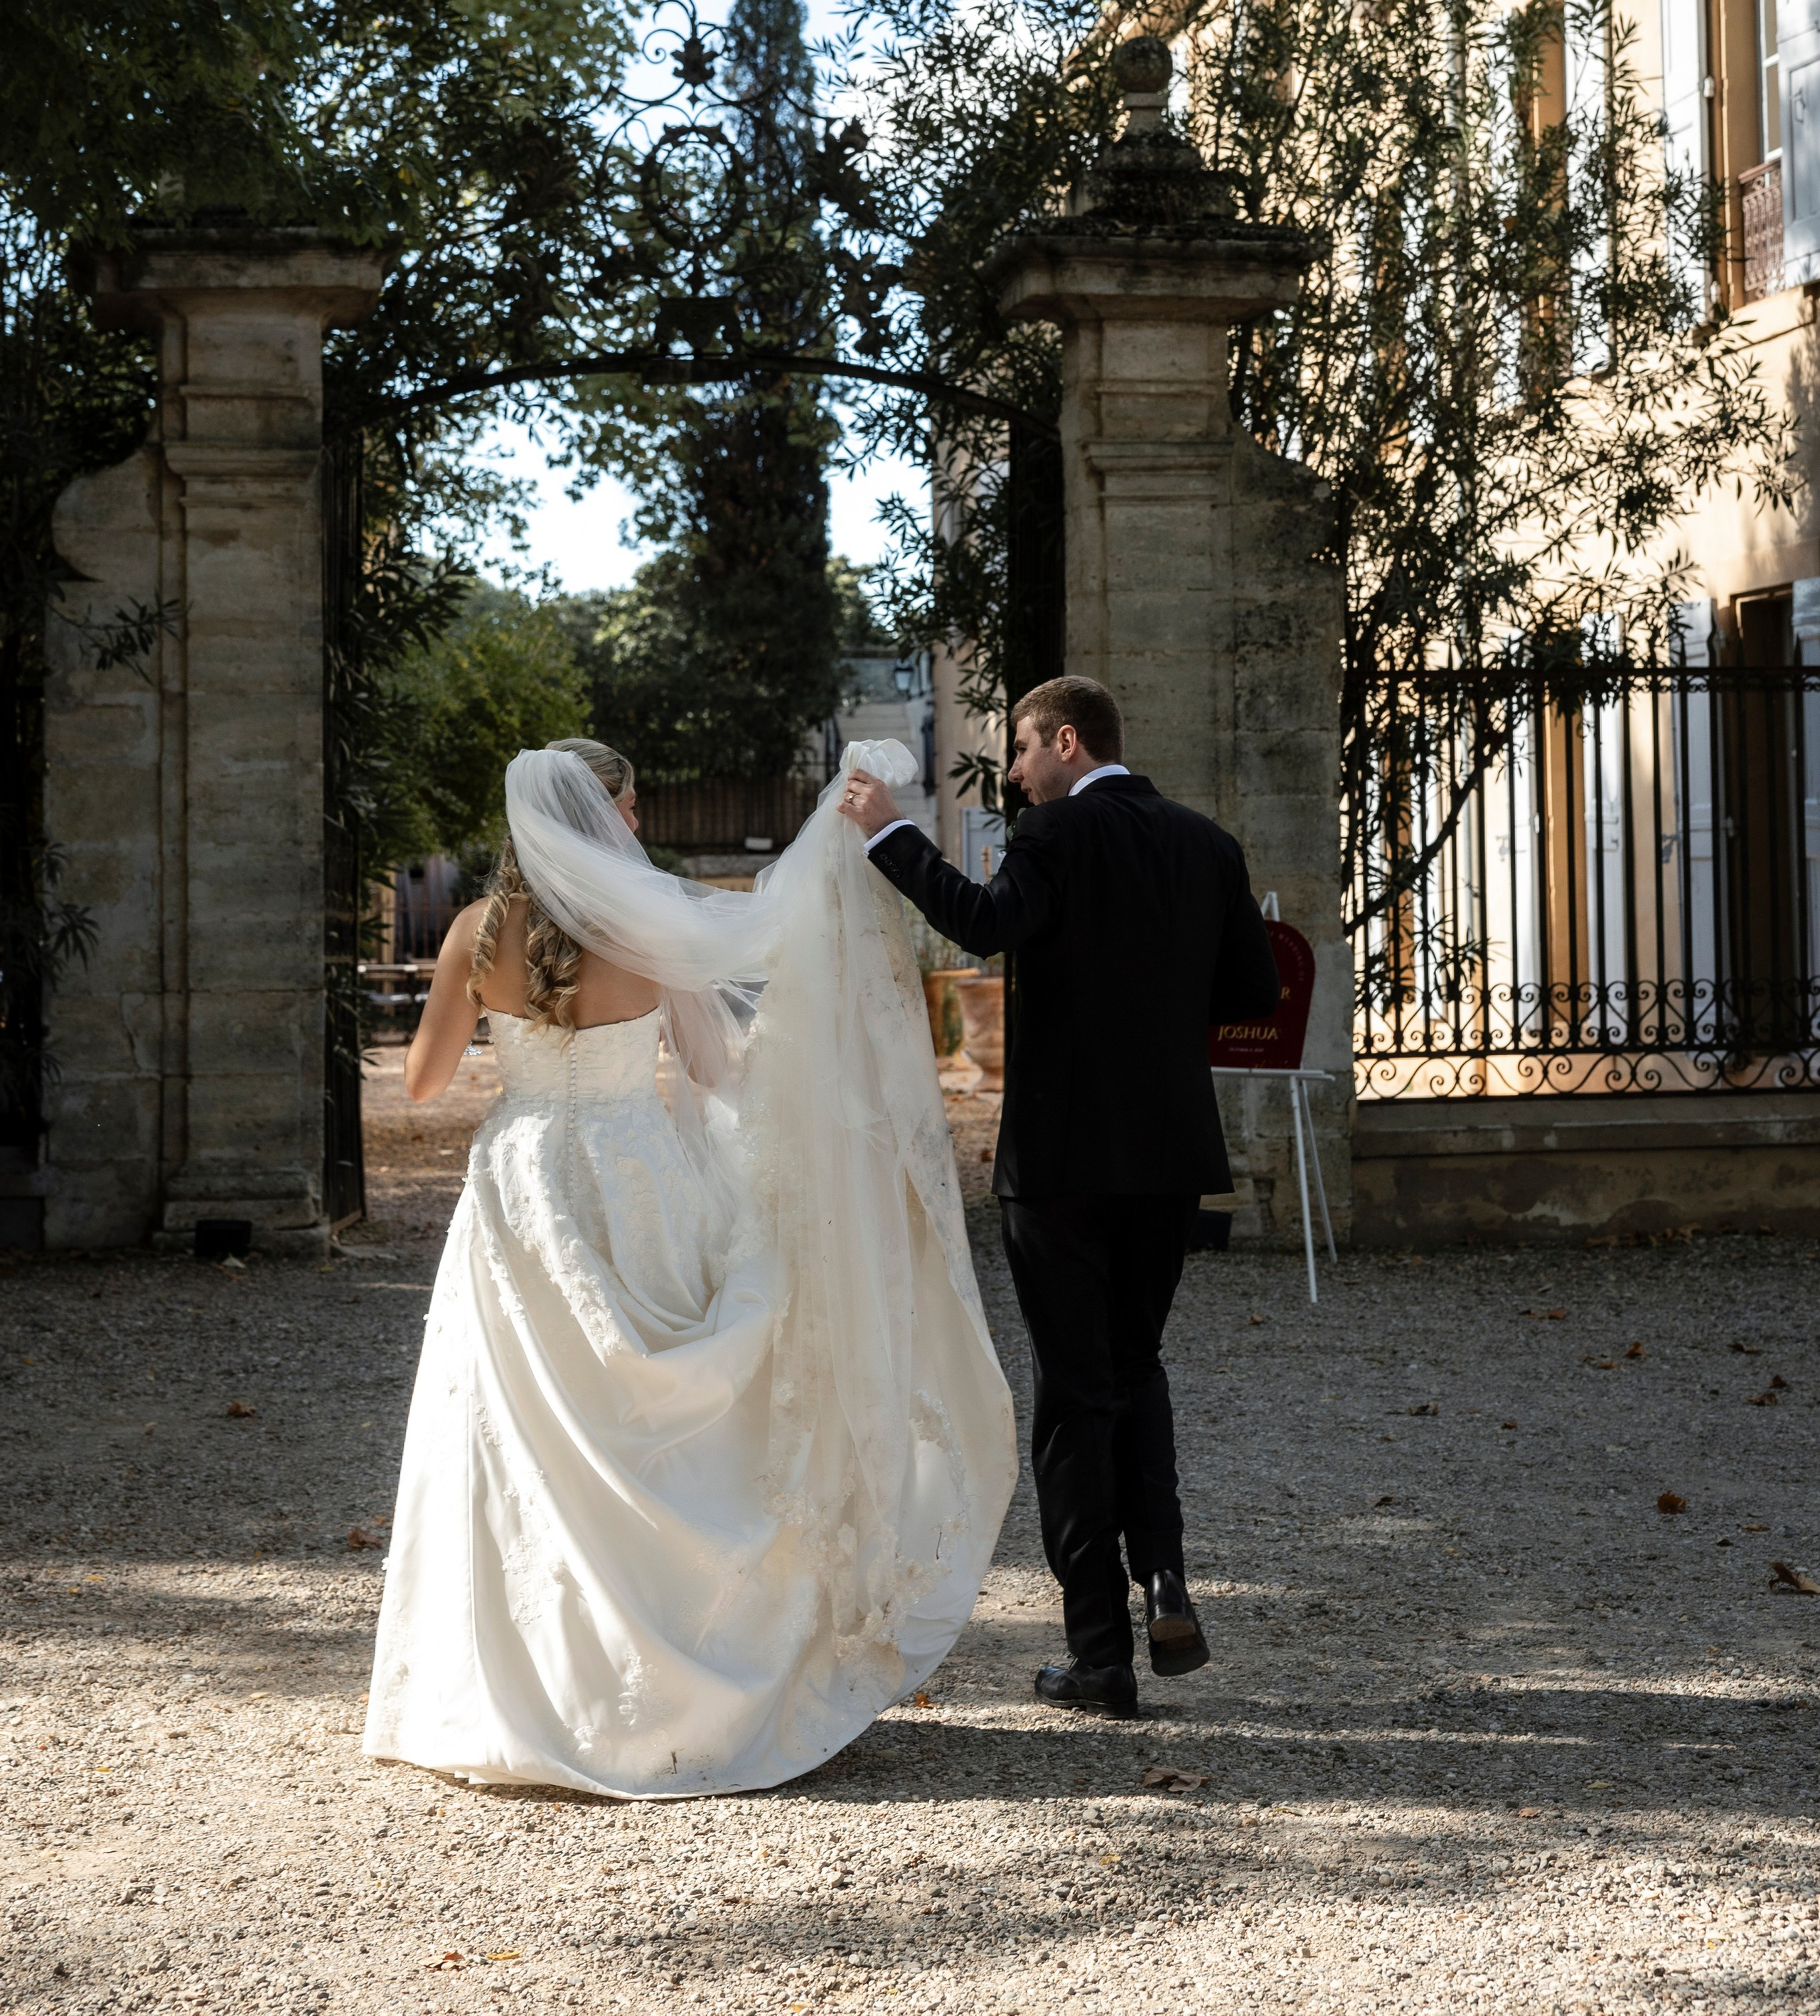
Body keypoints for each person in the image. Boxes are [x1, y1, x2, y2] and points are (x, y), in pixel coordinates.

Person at [364, 734, 1015, 1798]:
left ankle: (525, 1690)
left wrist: (496, 1032)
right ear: (601, 814)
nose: (634, 824)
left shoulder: (481, 933)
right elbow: (716, 1069)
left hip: (524, 1181)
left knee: (525, 1428)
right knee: (671, 1411)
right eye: (625, 809)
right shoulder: (647, 928)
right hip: (637, 1175)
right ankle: (693, 1676)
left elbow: (426, 1085)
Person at [840, 675, 1278, 1718]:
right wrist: (1157, 1016)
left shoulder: (1054, 838)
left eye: (1025, 755)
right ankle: (1165, 1576)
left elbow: (984, 926)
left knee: (1075, 1394)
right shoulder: (1206, 845)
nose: (1020, 777)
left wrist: (891, 838)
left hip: (1066, 1162)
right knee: (1136, 1367)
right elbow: (1252, 994)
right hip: (1171, 1158)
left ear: (1068, 742)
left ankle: (1100, 1658)